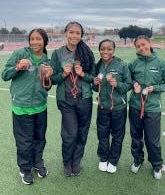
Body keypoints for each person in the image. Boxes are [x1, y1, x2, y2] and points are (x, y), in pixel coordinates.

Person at [1, 29, 53, 185]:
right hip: (21, 107)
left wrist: (48, 76)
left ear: (44, 41)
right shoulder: (19, 54)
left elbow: (47, 87)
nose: (35, 42)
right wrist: (17, 67)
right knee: (24, 141)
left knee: (39, 138)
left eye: (39, 39)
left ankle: (37, 163)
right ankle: (25, 168)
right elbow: (4, 75)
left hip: (40, 106)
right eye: (32, 39)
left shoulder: (46, 59)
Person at [50, 21, 95, 176]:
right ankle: (66, 162)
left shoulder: (87, 52)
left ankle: (76, 162)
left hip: (85, 99)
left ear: (81, 35)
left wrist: (83, 74)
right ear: (65, 33)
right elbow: (53, 80)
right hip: (66, 99)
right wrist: (63, 74)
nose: (74, 35)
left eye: (78, 33)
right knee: (70, 134)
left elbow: (93, 78)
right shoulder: (57, 53)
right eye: (71, 32)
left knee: (82, 132)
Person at [128, 35, 165, 179]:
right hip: (135, 106)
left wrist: (156, 88)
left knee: (152, 140)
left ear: (149, 43)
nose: (142, 48)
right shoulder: (133, 64)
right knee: (136, 136)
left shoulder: (161, 63)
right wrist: (134, 85)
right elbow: (128, 79)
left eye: (143, 44)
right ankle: (137, 160)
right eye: (138, 46)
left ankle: (156, 165)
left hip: (153, 108)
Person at [93, 39, 132, 173]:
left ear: (114, 50)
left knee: (117, 136)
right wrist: (95, 82)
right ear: (99, 50)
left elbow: (129, 85)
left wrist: (118, 84)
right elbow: (94, 87)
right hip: (103, 107)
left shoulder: (122, 65)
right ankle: (103, 158)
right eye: (103, 48)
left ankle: (113, 160)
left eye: (109, 49)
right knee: (102, 134)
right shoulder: (97, 65)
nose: (106, 51)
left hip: (119, 108)